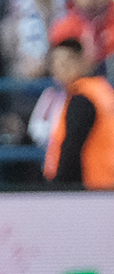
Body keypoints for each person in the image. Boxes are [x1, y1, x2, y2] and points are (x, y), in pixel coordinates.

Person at [43, 38, 114, 190]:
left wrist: (59, 186)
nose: (61, 69)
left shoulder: (83, 98)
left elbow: (72, 147)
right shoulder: (102, 90)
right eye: (57, 63)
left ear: (81, 62)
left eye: (67, 62)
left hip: (94, 186)